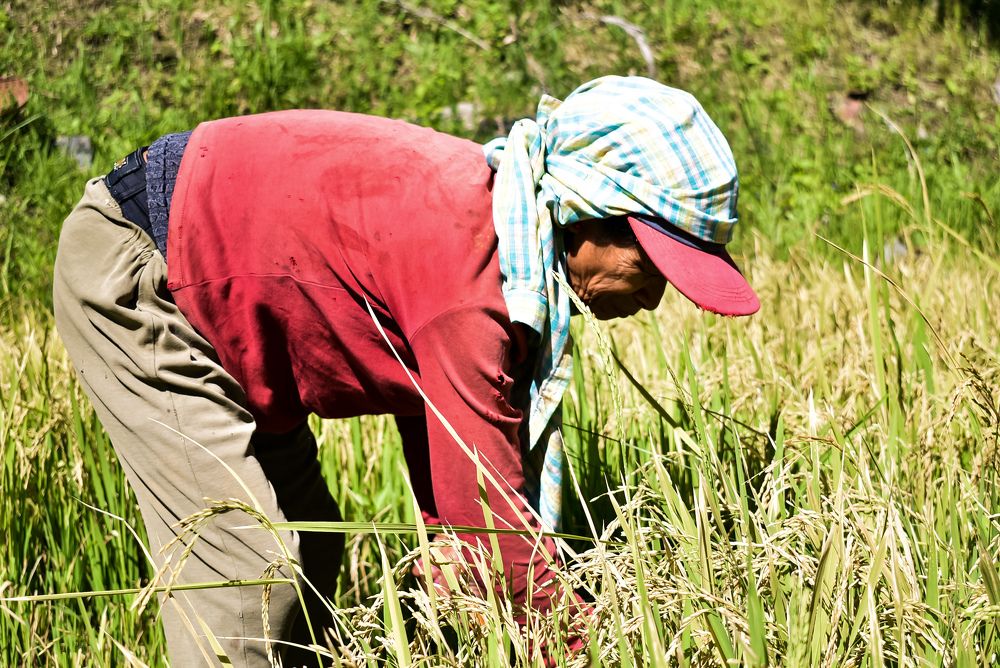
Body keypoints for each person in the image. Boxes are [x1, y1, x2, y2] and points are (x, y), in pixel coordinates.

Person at [52, 75, 759, 667]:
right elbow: (492, 524)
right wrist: (593, 648)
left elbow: (451, 434)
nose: (657, 295)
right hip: (147, 268)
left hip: (230, 292)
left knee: (309, 552)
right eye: (653, 266)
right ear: (586, 217)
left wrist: (453, 536)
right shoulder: (473, 273)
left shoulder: (513, 241)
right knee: (245, 581)